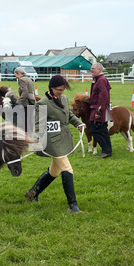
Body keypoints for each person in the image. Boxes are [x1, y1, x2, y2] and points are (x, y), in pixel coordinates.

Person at [26, 75, 86, 213]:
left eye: (63, 89)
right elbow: (38, 125)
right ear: (51, 88)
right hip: (52, 142)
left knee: (54, 172)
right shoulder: (42, 104)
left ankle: (32, 193)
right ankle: (73, 206)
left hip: (64, 139)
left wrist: (79, 124)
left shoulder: (63, 99)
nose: (62, 92)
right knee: (67, 169)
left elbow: (69, 115)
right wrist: (37, 141)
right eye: (59, 89)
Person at [89, 63, 113, 159]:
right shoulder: (99, 80)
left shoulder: (101, 80)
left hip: (99, 109)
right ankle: (107, 150)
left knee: (94, 129)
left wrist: (99, 112)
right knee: (102, 131)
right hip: (98, 108)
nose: (91, 70)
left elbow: (103, 97)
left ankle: (106, 150)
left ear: (99, 70)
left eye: (93, 68)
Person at [14, 67, 36, 132]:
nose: (15, 77)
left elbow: (25, 92)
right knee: (29, 121)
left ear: (19, 73)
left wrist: (18, 102)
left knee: (25, 122)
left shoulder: (22, 80)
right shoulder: (28, 79)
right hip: (31, 101)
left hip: (26, 103)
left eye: (15, 75)